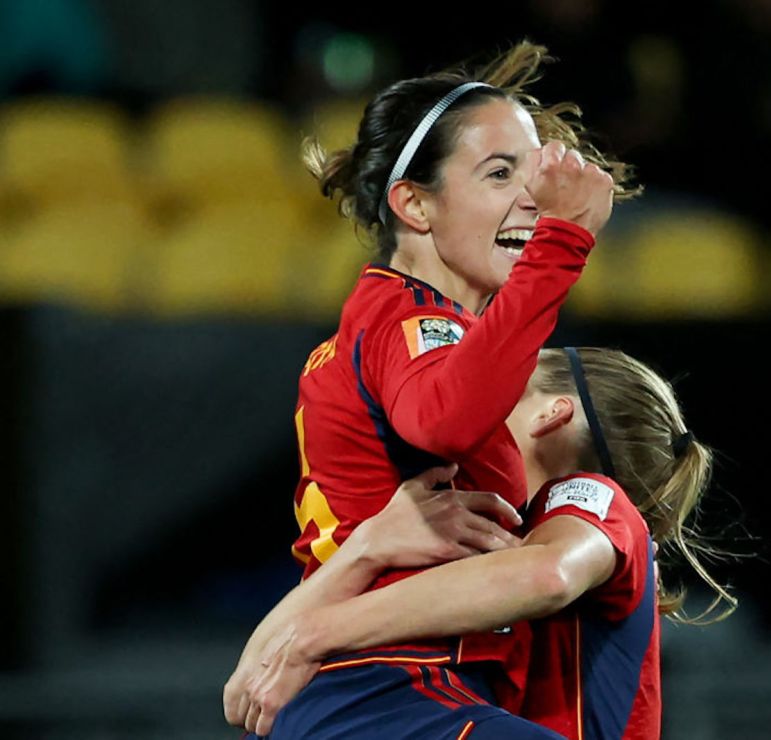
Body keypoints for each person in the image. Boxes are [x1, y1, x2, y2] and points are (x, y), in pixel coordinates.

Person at [251, 38, 636, 736]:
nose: (531, 201)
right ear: (415, 206)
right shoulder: (413, 318)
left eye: (532, 175)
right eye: (497, 174)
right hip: (392, 691)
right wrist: (562, 246)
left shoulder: (398, 324)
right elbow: (444, 421)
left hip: (383, 694)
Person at [226, 347, 735, 738]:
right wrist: (367, 548)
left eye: (505, 387)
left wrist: (318, 634)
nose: (477, 398)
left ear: (553, 414)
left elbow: (546, 574)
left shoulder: (590, 499)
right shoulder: (490, 536)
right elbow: (249, 680)